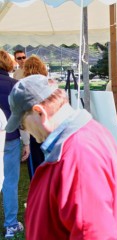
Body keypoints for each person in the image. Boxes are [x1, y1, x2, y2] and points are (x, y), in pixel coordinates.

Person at [5, 74, 117, 239]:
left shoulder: (79, 154)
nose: (24, 130)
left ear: (40, 112)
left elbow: (92, 232)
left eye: (22, 124)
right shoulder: (87, 134)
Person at [0, 49, 29, 238]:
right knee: (10, 182)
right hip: (9, 138)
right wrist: (26, 142)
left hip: (9, 137)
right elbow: (23, 116)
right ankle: (11, 224)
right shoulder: (14, 85)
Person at [23, 55, 49, 180]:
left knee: (36, 172)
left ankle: (39, 197)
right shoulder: (50, 86)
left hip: (34, 133)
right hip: (50, 131)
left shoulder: (23, 88)